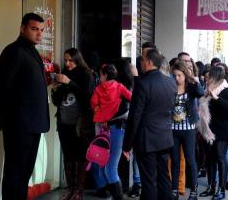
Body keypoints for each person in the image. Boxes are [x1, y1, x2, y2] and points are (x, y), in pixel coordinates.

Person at [0, 13, 50, 200]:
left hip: (32, 125)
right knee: (15, 175)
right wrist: (13, 119)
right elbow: (5, 88)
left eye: (42, 30)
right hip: (19, 125)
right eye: (34, 29)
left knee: (23, 176)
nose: (39, 34)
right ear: (22, 28)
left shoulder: (31, 51)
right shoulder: (14, 51)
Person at [123, 48, 177, 200]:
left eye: (142, 60)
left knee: (148, 181)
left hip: (146, 140)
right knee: (164, 177)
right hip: (165, 138)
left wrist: (127, 145)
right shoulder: (171, 83)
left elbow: (135, 116)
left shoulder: (142, 84)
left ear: (148, 62)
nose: (140, 63)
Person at [51, 48, 93, 200]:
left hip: (79, 123)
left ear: (77, 59)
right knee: (68, 155)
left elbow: (88, 98)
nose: (67, 63)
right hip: (64, 121)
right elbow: (57, 102)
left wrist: (69, 83)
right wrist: (55, 90)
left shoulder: (86, 74)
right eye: (65, 60)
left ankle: (78, 191)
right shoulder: (64, 73)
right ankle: (70, 189)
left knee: (81, 155)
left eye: (70, 60)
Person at [90, 63, 132, 199]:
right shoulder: (119, 87)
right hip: (117, 128)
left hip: (102, 128)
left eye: (101, 74)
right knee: (112, 166)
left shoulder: (98, 89)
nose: (99, 76)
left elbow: (93, 103)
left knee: (104, 164)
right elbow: (132, 97)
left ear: (105, 75)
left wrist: (99, 111)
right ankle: (116, 195)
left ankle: (111, 193)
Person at [198, 66, 228, 200]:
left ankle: (221, 189)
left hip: (224, 131)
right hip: (210, 131)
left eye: (209, 77)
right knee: (210, 159)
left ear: (216, 78)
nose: (206, 79)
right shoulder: (208, 91)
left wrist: (217, 98)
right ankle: (211, 187)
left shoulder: (226, 90)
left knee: (220, 158)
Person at [170, 61, 204, 200]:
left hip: (188, 129)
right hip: (173, 129)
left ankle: (194, 191)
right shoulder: (171, 87)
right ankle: (174, 190)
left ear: (184, 74)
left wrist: (194, 80)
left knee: (190, 160)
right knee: (175, 161)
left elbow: (201, 93)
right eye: (175, 75)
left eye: (179, 75)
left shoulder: (191, 88)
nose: (177, 78)